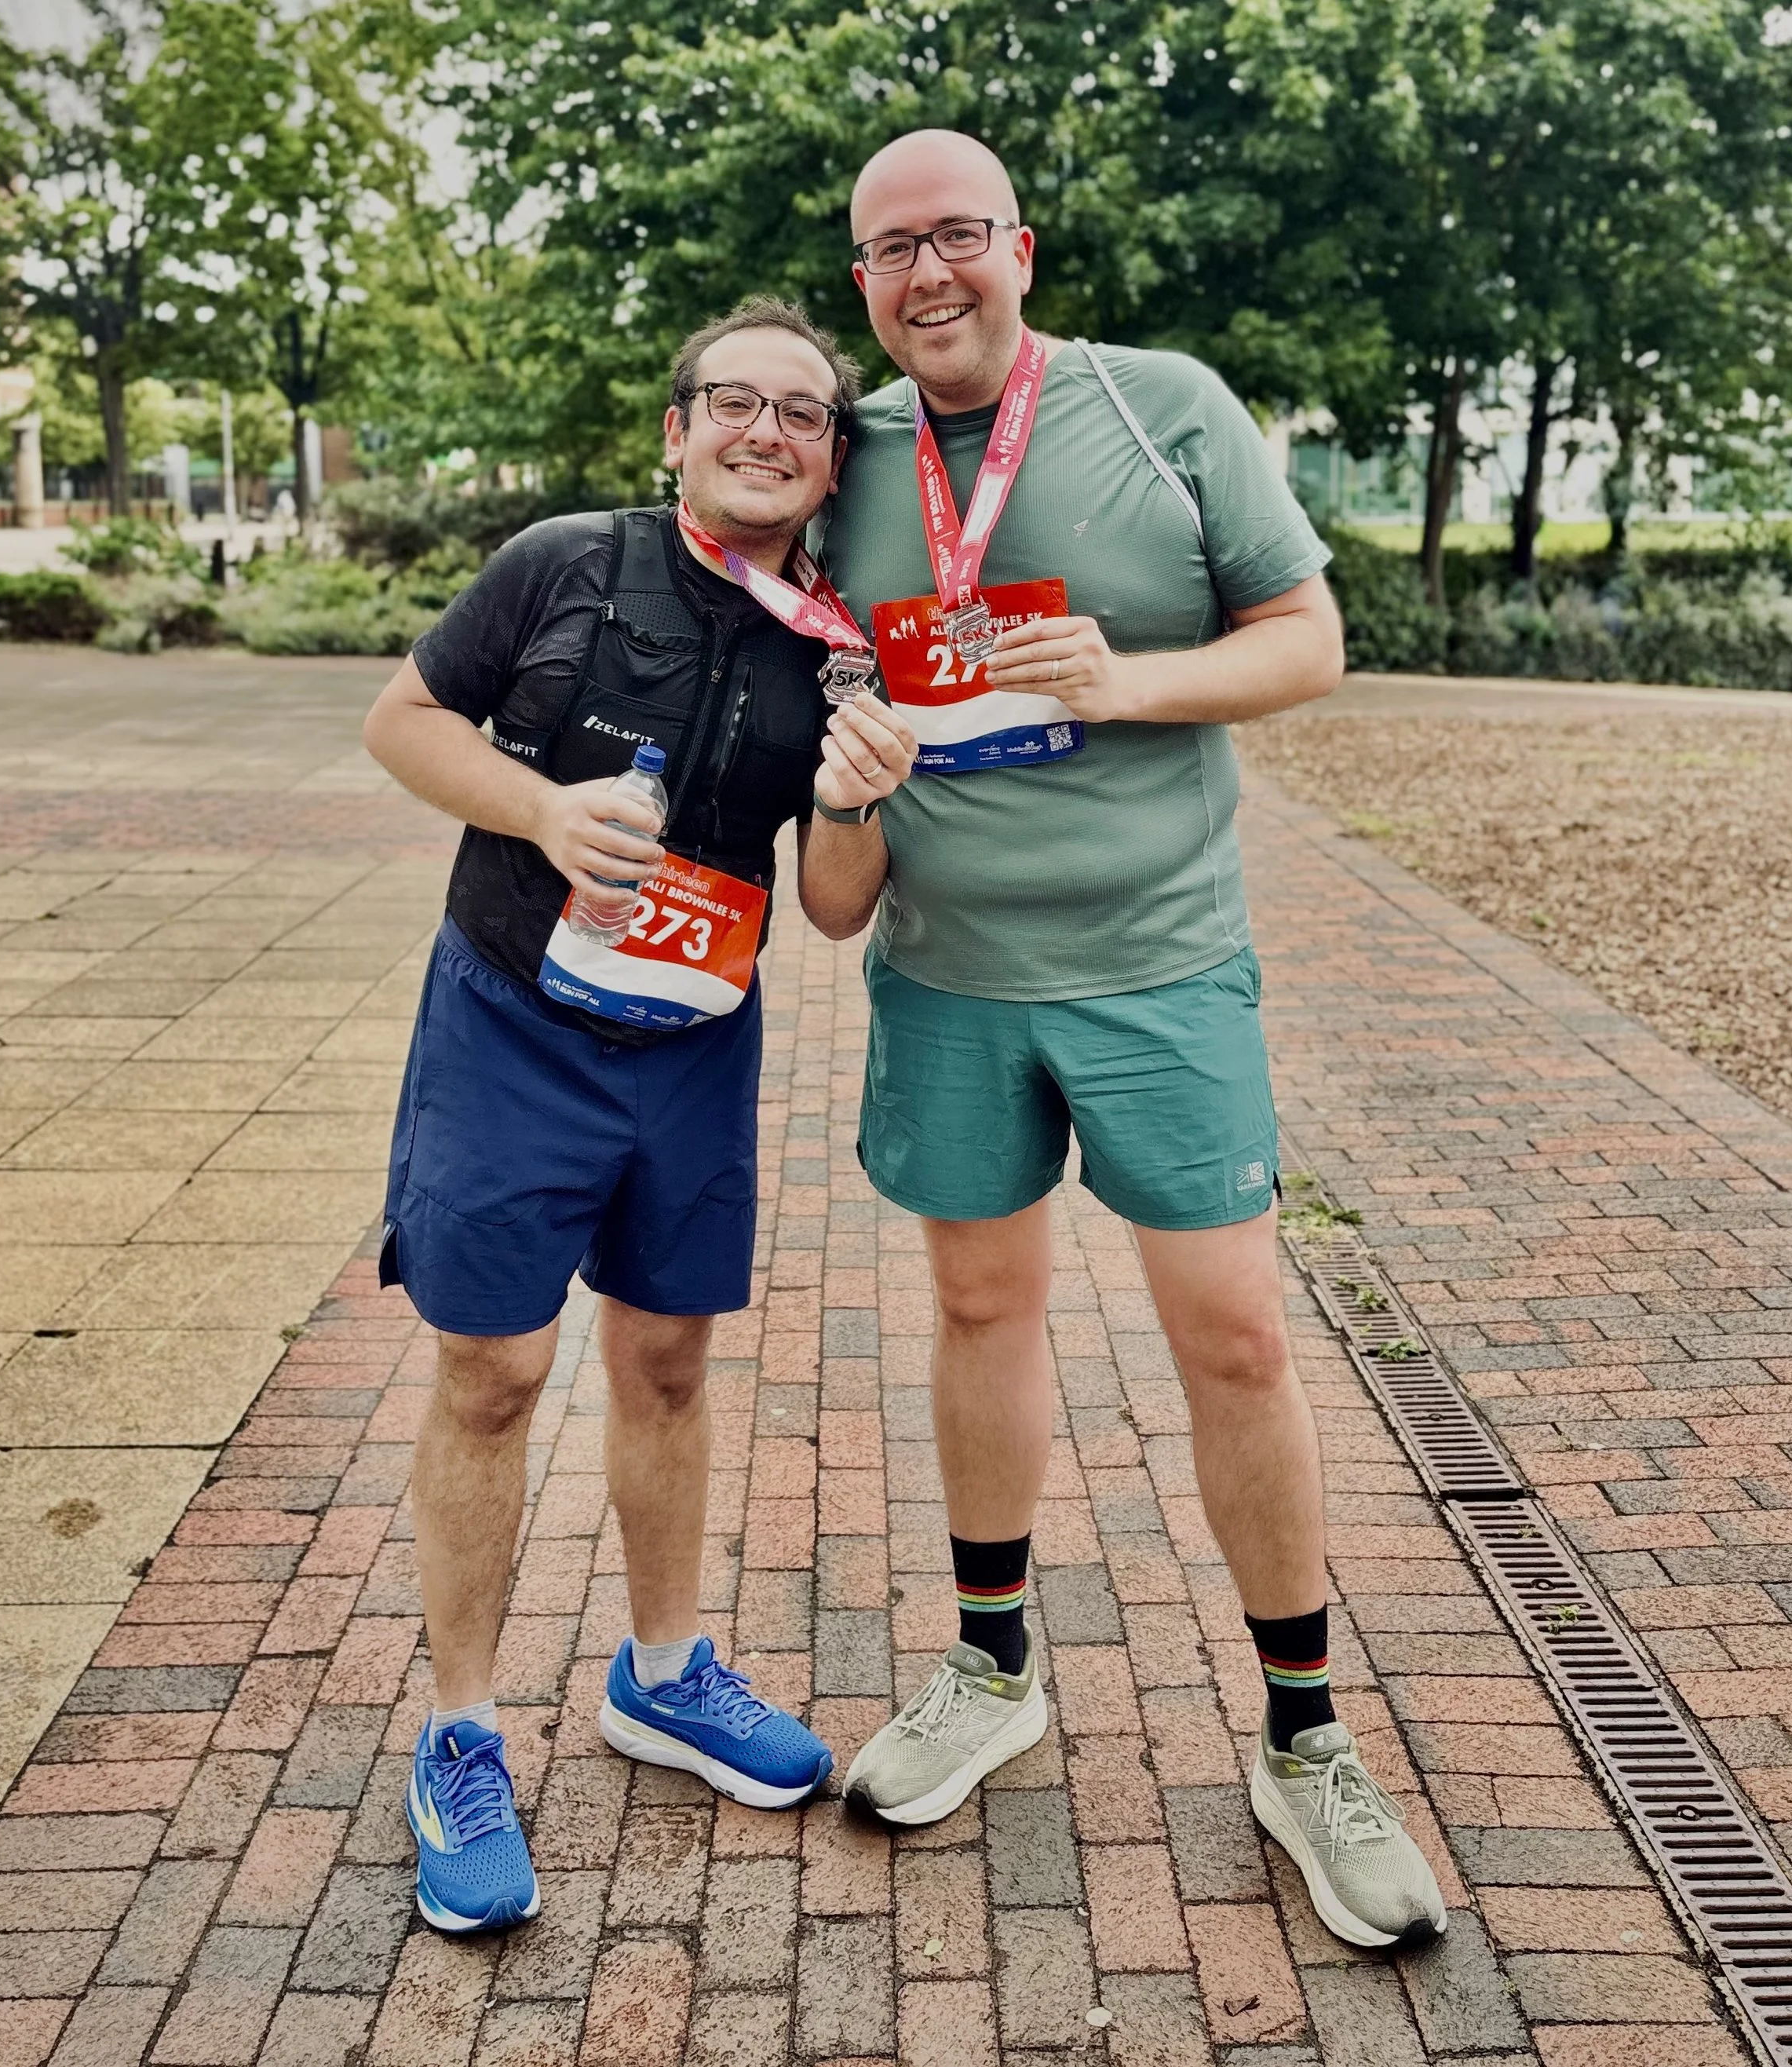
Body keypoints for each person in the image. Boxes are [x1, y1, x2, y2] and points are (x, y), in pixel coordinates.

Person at [798, 131, 1447, 1948]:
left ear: (1019, 247)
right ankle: (995, 1672)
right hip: (943, 975)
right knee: (982, 1311)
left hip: (1162, 967)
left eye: (954, 240)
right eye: (886, 252)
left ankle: (1305, 1738)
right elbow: (810, 742)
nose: (926, 277)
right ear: (861, 283)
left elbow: (1307, 635)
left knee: (1235, 1338)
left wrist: (1126, 680)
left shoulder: (1161, 406)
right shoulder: (841, 456)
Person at [363, 295, 918, 1934]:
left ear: (827, 465)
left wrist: (851, 801)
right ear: (675, 429)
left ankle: (662, 1673)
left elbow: (830, 911)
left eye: (802, 414)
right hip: (507, 1022)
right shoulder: (561, 566)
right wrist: (537, 808)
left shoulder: (831, 648)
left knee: (668, 1358)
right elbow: (400, 721)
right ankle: (458, 1733)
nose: (765, 430)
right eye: (733, 402)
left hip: (693, 1045)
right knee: (492, 1372)